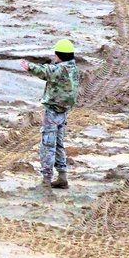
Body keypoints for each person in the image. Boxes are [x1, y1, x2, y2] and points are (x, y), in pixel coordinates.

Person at [21, 39, 80, 189]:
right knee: (59, 143)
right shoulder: (73, 69)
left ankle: (46, 180)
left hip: (53, 110)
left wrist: (29, 67)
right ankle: (62, 176)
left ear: (59, 55)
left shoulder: (60, 69)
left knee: (47, 143)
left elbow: (45, 71)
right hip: (64, 109)